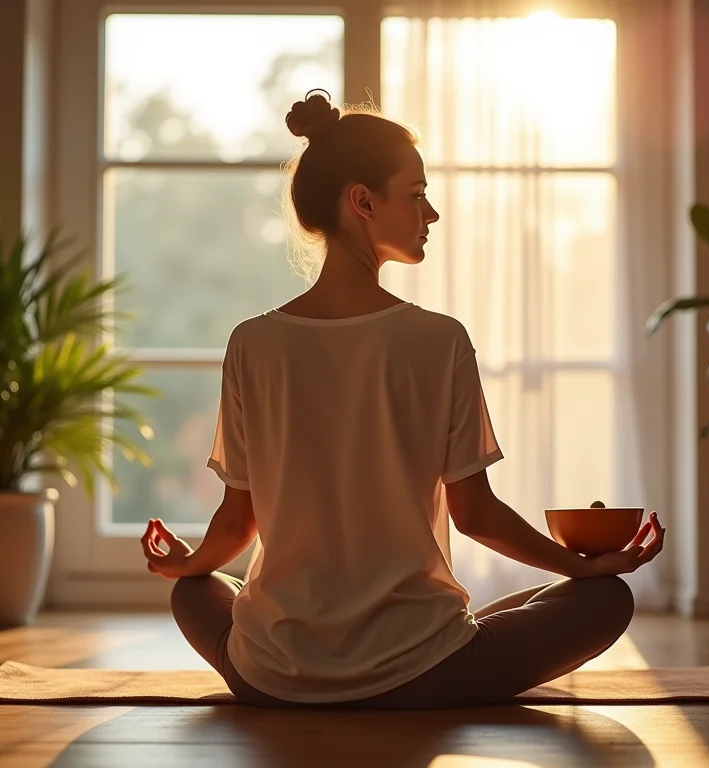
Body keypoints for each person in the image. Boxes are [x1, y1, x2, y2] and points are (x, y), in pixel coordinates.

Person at [140, 89, 665, 710]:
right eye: (416, 194)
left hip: (274, 674)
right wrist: (582, 568)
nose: (431, 213)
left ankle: (307, 660)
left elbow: (237, 521)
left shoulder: (251, 343)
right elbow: (474, 514)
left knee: (194, 591)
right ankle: (420, 656)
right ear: (362, 202)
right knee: (605, 600)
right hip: (423, 675)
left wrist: (188, 563)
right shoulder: (440, 340)